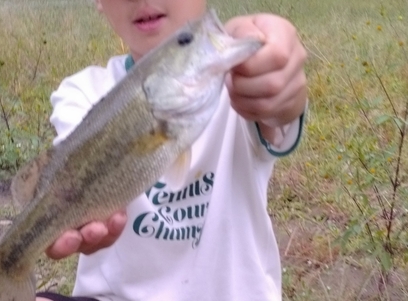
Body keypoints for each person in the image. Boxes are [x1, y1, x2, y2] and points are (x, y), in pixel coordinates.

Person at [36, 0, 308, 300]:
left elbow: (275, 111)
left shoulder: (237, 82)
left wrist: (276, 81)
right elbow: (63, 181)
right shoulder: (81, 93)